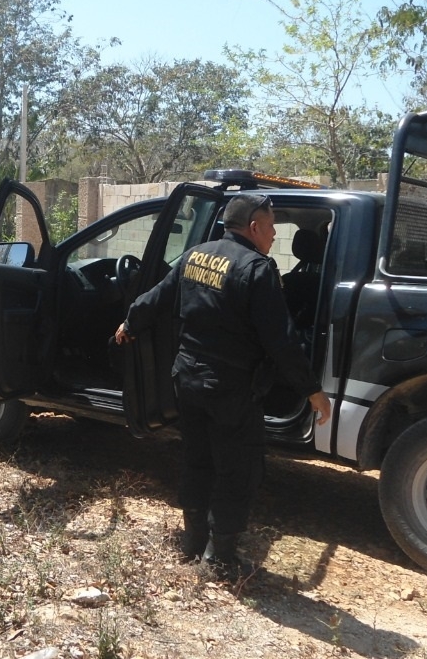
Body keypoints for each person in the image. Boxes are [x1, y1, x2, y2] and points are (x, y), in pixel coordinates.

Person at [114, 193, 332, 576]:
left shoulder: (196, 254)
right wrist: (312, 390)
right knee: (236, 470)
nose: (273, 232)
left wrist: (130, 324)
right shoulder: (257, 269)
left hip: (188, 379)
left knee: (197, 460)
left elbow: (157, 297)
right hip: (230, 389)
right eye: (270, 225)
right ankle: (220, 557)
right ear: (253, 227)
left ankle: (192, 543)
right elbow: (281, 340)